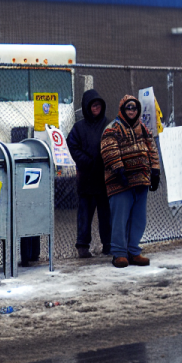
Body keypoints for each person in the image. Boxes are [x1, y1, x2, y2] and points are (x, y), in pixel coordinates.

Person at [100, 95, 161, 268]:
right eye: (128, 108)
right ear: (122, 109)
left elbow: (152, 149)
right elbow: (109, 149)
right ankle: (119, 253)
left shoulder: (144, 129)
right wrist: (119, 170)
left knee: (138, 219)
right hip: (120, 182)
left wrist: (155, 171)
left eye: (134, 108)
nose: (132, 111)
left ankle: (134, 251)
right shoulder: (112, 128)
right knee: (120, 219)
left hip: (141, 181)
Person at [66, 89, 112, 258]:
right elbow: (72, 146)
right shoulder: (78, 128)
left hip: (105, 178)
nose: (96, 108)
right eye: (93, 105)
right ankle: (83, 246)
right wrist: (88, 162)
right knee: (85, 214)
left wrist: (104, 161)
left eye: (98, 105)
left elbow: (114, 146)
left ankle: (108, 244)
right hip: (86, 178)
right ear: (86, 107)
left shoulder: (109, 125)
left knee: (106, 215)